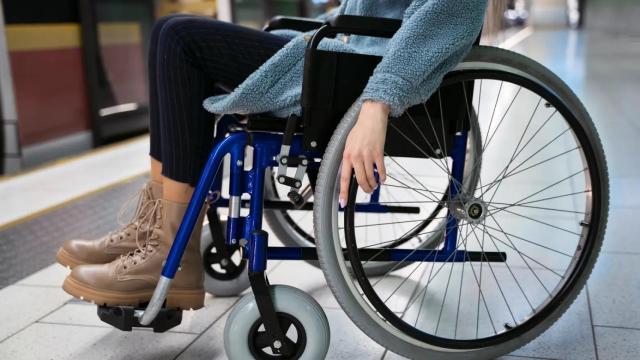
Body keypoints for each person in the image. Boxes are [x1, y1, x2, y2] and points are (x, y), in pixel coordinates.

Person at [57, 0, 488, 310]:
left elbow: (448, 17)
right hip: (345, 58)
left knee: (178, 38)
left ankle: (170, 249)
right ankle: (157, 233)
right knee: (169, 33)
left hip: (359, 76)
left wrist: (378, 103)